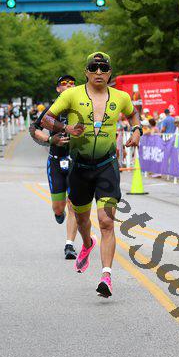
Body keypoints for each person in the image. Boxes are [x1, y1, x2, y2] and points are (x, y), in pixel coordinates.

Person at [38, 52, 141, 298]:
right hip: (80, 167)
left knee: (106, 221)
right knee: (83, 220)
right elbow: (46, 119)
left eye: (103, 68)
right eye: (94, 67)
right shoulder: (71, 95)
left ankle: (106, 276)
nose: (98, 72)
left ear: (110, 73)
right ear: (86, 71)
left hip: (107, 165)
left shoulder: (121, 97)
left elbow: (133, 114)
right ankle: (86, 244)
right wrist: (65, 127)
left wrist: (137, 130)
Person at [30, 75, 79, 259]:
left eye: (72, 83)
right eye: (64, 84)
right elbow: (34, 128)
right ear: (58, 89)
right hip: (56, 161)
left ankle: (69, 245)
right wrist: (50, 139)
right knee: (59, 208)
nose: (68, 86)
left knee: (73, 204)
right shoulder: (52, 109)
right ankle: (59, 213)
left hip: (76, 162)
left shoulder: (81, 107)